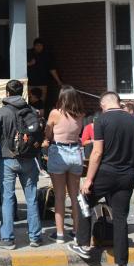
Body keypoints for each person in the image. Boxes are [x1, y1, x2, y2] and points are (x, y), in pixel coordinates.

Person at [68, 92, 134, 266]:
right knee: (120, 217)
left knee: (84, 200)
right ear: (118, 103)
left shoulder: (101, 121)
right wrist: (128, 153)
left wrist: (88, 180)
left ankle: (82, 244)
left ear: (103, 105)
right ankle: (122, 264)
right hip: (127, 174)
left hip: (105, 172)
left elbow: (96, 153)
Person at [0, 79, 43, 250]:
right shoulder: (32, 111)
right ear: (22, 93)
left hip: (8, 158)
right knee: (31, 198)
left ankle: (8, 239)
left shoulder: (2, 112)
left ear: (7, 93)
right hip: (29, 159)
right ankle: (35, 237)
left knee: (8, 198)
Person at [43, 85, 85, 243]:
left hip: (59, 152)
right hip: (75, 152)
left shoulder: (55, 113)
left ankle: (60, 234)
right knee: (75, 196)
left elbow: (48, 133)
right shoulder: (80, 114)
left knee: (60, 196)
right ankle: (76, 231)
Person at [26, 38, 63, 107]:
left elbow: (52, 69)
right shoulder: (28, 53)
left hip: (43, 82)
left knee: (42, 101)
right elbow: (19, 65)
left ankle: (41, 115)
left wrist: (58, 81)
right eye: (37, 45)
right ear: (34, 46)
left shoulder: (47, 55)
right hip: (30, 82)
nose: (39, 47)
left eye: (40, 45)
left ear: (43, 46)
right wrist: (29, 64)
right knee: (29, 100)